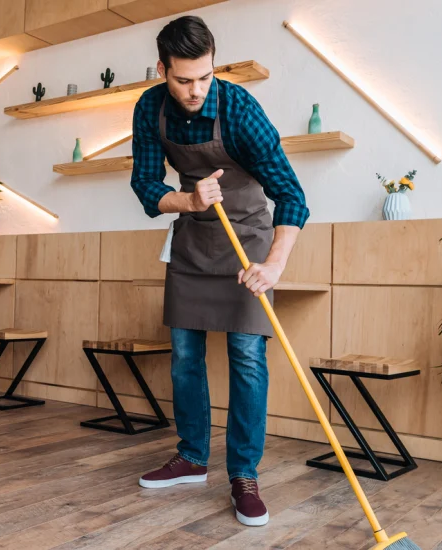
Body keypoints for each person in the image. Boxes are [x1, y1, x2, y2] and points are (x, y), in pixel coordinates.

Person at [130, 15, 309, 527]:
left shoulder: (239, 108)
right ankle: (190, 458)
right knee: (185, 354)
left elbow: (292, 195)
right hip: (192, 237)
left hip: (249, 239)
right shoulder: (150, 108)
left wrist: (273, 265)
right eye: (183, 79)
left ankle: (244, 474)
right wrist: (186, 199)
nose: (195, 90)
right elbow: (145, 185)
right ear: (162, 69)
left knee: (247, 356)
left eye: (205, 77)